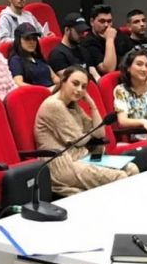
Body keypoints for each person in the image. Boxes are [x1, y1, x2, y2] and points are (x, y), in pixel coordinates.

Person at [35, 66, 138, 196]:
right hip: (62, 164)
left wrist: (92, 105)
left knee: (132, 169)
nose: (79, 90)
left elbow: (100, 133)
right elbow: (79, 141)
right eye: (75, 83)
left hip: (83, 157)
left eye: (83, 87)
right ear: (63, 81)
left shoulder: (73, 105)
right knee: (120, 177)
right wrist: (90, 133)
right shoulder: (54, 105)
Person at [81, 4, 130, 75]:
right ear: (92, 22)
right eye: (102, 21)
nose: (106, 25)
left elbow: (133, 55)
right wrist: (110, 39)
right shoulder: (88, 42)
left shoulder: (117, 33)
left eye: (109, 21)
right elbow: (108, 69)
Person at [8, 22, 60, 90]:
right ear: (18, 40)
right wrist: (44, 90)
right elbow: (18, 83)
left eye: (34, 38)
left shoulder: (38, 57)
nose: (32, 42)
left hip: (54, 91)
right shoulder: (16, 60)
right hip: (37, 94)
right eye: (27, 38)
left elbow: (55, 78)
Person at [47, 12, 97, 80]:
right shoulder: (57, 55)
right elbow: (69, 81)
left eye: (83, 32)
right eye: (79, 32)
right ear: (67, 30)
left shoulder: (83, 50)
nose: (82, 35)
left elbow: (93, 73)